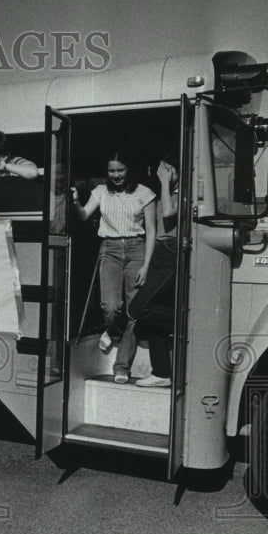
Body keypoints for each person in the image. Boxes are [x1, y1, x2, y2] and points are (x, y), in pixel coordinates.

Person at [71, 151, 155, 384]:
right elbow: (83, 215)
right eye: (111, 170)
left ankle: (122, 366)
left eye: (120, 170)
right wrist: (76, 201)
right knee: (109, 307)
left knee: (134, 310)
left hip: (137, 249)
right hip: (109, 250)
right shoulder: (100, 191)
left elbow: (152, 231)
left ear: (129, 170)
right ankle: (115, 331)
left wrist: (146, 264)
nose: (116, 175)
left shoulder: (144, 193)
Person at [128, 154, 180, 387]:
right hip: (160, 252)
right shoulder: (160, 194)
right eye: (161, 171)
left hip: (171, 252)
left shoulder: (180, 193)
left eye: (168, 170)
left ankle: (186, 321)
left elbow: (169, 214)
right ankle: (161, 373)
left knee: (138, 307)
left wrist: (166, 183)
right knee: (151, 321)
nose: (163, 174)